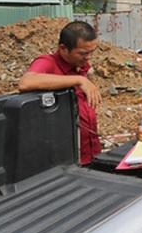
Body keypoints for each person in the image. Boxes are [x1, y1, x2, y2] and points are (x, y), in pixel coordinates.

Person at [18, 21, 102, 165]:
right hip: (67, 160)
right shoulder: (48, 62)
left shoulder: (79, 65)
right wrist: (78, 80)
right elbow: (26, 82)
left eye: (91, 52)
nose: (88, 57)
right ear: (63, 49)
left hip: (92, 153)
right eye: (83, 53)